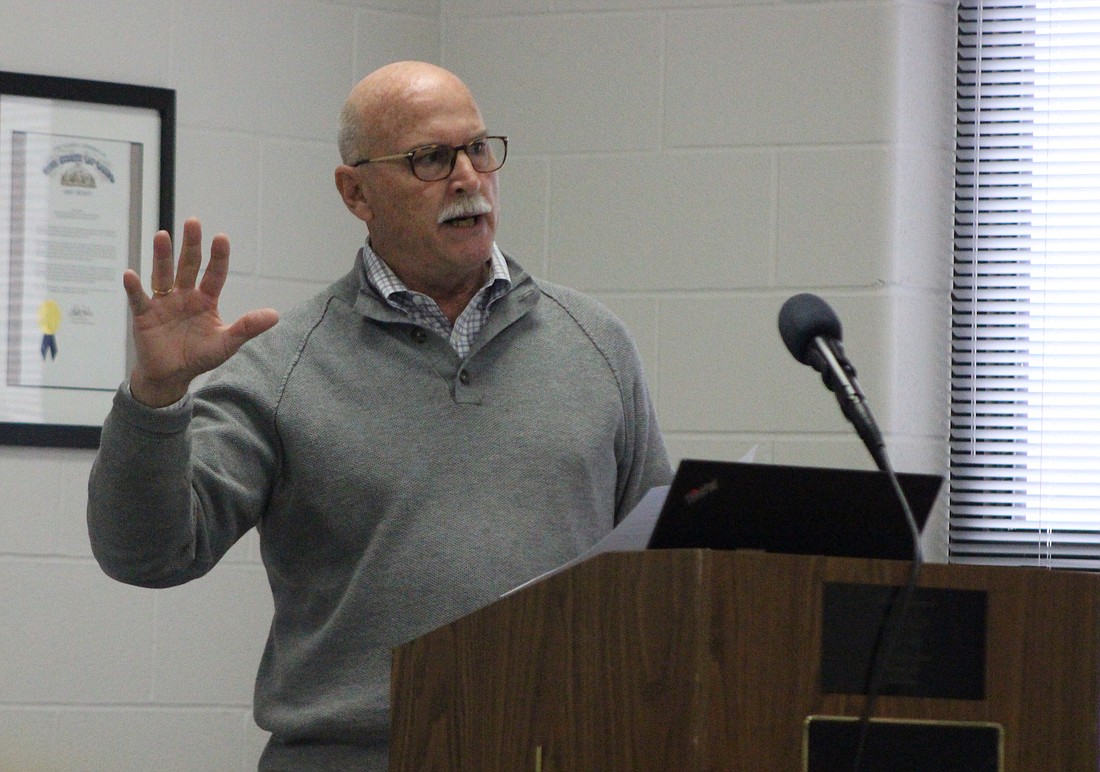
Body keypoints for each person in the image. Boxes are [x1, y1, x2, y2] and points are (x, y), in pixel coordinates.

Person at [87, 61, 671, 771]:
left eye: (479, 150)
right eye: (429, 158)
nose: (466, 178)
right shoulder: (285, 364)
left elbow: (664, 570)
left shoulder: (595, 342)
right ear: (355, 191)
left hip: (561, 748)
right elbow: (148, 553)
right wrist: (156, 398)